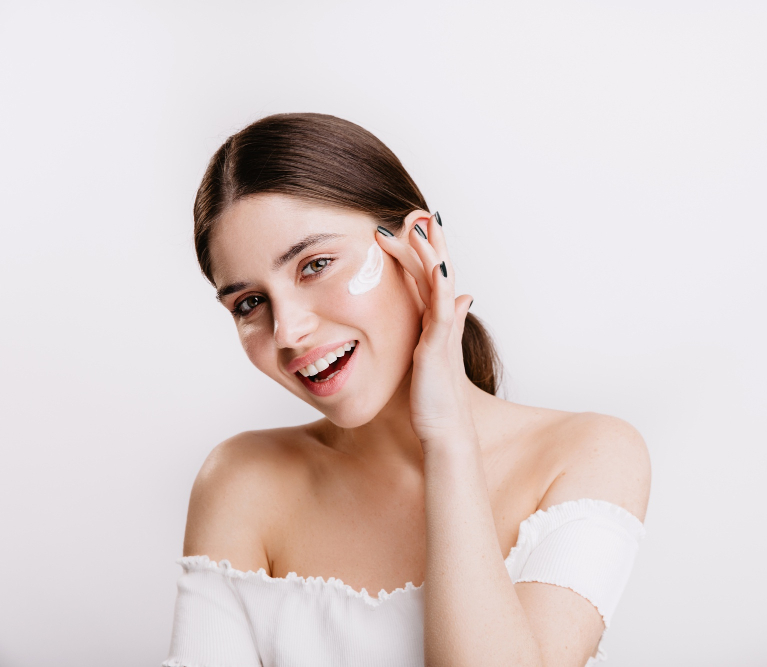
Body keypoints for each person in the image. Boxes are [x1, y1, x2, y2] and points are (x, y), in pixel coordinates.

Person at [164, 112, 651, 667]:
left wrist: (447, 439)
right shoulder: (240, 481)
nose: (287, 332)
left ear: (418, 245)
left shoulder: (588, 455)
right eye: (249, 303)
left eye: (315, 264)